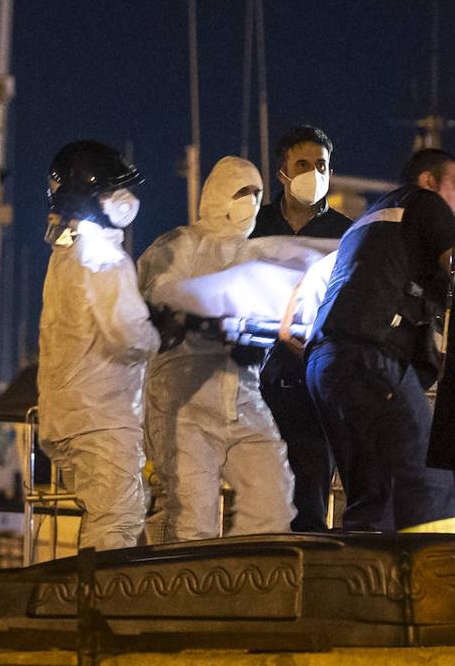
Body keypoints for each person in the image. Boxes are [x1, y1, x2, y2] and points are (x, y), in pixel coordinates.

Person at [305, 148, 455, 533]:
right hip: (372, 359)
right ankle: (446, 587)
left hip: (326, 366)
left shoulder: (369, 221)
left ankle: (360, 586)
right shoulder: (425, 204)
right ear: (428, 181)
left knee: (375, 496)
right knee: (429, 485)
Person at [139, 156, 295, 541]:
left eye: (258, 194)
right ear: (218, 194)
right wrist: (200, 319)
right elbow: (158, 298)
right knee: (192, 518)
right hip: (184, 399)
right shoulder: (181, 245)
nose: (251, 202)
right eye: (243, 192)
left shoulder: (255, 256)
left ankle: (253, 585)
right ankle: (184, 595)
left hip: (241, 395)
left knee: (273, 495)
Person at [36, 140, 161, 551]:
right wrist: (163, 329)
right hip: (101, 418)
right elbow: (128, 337)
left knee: (104, 516)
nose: (126, 201)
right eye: (113, 191)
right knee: (115, 521)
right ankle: (99, 609)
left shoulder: (66, 253)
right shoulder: (105, 257)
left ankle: (87, 606)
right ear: (90, 196)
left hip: (66, 418)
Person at [251, 125, 352, 531]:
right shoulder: (254, 227)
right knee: (257, 493)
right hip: (254, 383)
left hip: (313, 384)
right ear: (283, 173)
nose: (314, 172)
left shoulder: (346, 233)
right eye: (303, 164)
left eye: (321, 165)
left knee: (310, 495)